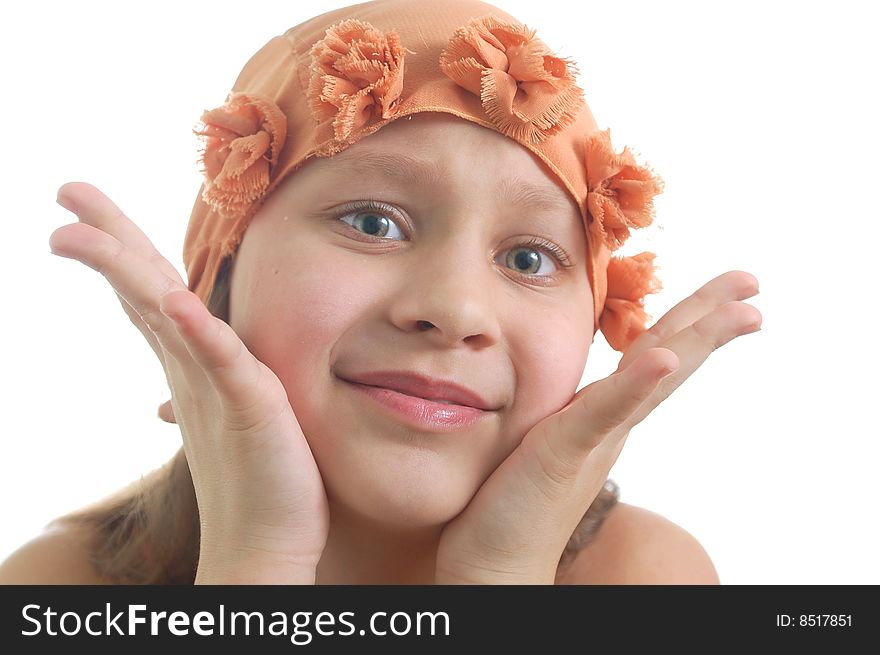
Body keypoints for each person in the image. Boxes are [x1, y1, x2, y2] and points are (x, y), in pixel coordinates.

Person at [0, 0, 760, 584]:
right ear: (219, 277)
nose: (456, 310)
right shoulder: (57, 581)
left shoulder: (645, 577)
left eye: (529, 258)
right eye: (373, 221)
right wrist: (255, 566)